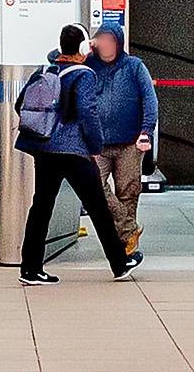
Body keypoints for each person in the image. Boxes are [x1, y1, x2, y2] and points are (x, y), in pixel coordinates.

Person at [12, 24, 132, 283]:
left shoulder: (47, 69)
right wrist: (95, 146)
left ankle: (30, 268)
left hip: (43, 148)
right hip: (73, 151)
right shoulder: (84, 74)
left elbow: (19, 103)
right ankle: (120, 263)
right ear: (82, 48)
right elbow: (88, 113)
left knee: (41, 207)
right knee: (98, 206)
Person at [77, 20, 158, 260]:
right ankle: (128, 228)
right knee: (94, 189)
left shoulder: (134, 66)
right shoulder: (88, 64)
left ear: (119, 42)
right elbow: (56, 56)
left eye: (110, 40)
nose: (106, 45)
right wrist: (85, 48)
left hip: (130, 144)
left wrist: (146, 131)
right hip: (98, 144)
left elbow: (150, 101)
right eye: (101, 39)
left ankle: (125, 246)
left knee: (128, 191)